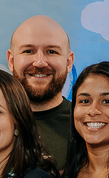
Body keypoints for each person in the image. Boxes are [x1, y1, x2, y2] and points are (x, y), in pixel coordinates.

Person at [8, 15, 74, 168]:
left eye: (51, 51)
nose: (39, 62)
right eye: (28, 51)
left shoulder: (86, 125)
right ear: (11, 61)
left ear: (68, 62)